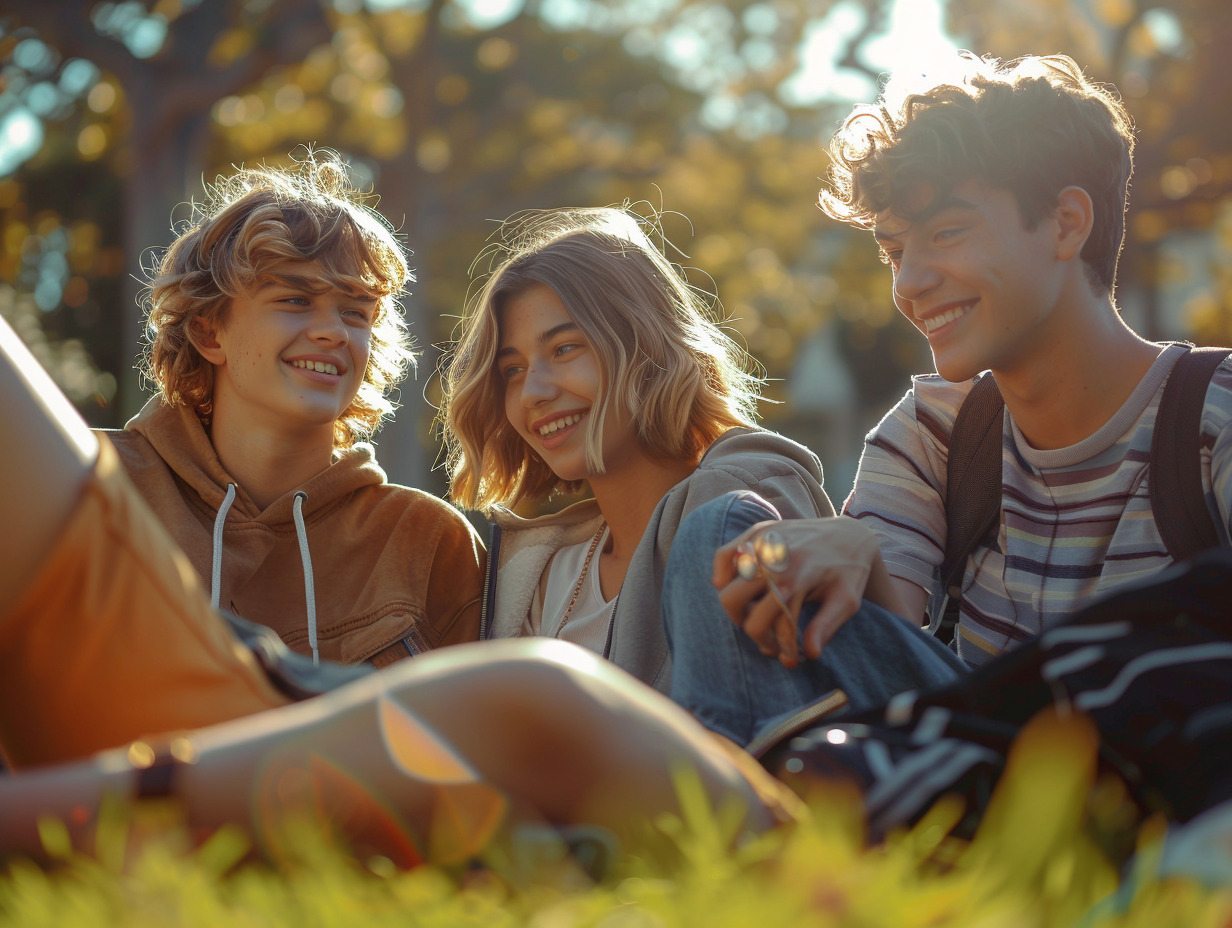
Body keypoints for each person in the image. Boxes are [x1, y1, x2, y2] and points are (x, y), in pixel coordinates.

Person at [0, 310, 785, 864]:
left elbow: (519, 715)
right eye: (514, 368)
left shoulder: (431, 538)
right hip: (221, 705)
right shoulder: (545, 567)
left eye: (353, 309)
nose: (536, 389)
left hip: (223, 747)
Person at [663, 52, 1232, 745]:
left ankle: (726, 816)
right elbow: (880, 647)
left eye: (947, 234)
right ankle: (734, 818)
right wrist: (857, 552)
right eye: (896, 251)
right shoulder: (933, 433)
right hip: (971, 768)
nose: (911, 282)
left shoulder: (1214, 419)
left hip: (1156, 774)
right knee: (725, 534)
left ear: (1066, 223)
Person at [102, 150, 484, 666]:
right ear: (208, 331)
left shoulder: (427, 539)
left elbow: (465, 736)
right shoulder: (97, 484)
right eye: (295, 300)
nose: (333, 331)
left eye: (355, 312)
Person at [439, 207, 843, 693]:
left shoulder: (738, 503)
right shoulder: (540, 576)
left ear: (646, 343)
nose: (533, 393)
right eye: (513, 370)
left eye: (565, 348)